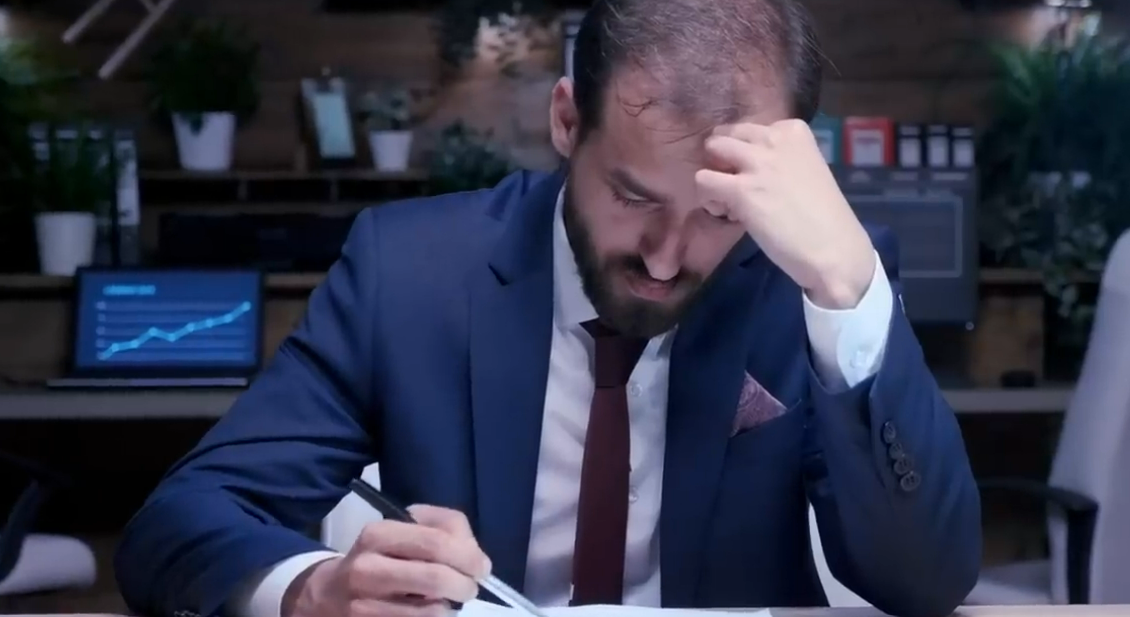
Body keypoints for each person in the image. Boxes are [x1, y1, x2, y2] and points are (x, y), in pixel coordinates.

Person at [114, 0, 981, 616]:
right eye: (633, 196)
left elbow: (927, 583)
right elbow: (180, 521)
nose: (665, 258)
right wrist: (312, 590)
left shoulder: (809, 278)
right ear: (567, 121)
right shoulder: (409, 272)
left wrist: (848, 291)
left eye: (719, 213)